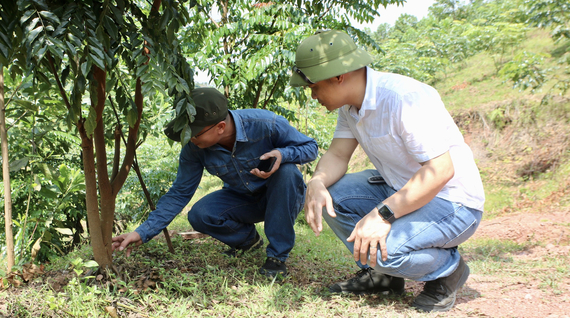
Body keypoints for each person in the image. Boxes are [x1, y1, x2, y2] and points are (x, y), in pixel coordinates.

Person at [291, 30, 484, 312]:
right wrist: (317, 181)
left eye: (313, 87)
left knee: (383, 253)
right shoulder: (350, 108)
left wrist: (382, 214)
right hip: (403, 191)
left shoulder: (403, 98)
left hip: (453, 203)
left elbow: (440, 171)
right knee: (330, 195)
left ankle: (449, 270)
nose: (313, 95)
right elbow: (337, 154)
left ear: (337, 76)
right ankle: (384, 278)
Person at [112, 87, 318, 277]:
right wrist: (142, 232)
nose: (190, 139)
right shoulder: (194, 149)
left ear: (220, 127)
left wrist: (283, 153)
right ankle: (249, 242)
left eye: (194, 133)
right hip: (244, 200)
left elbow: (311, 147)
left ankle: (277, 257)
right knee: (200, 214)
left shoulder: (266, 124)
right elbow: (179, 193)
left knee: (287, 172)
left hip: (282, 196)